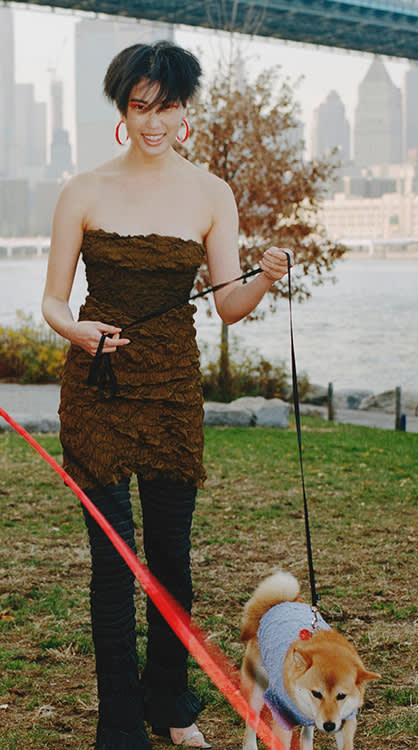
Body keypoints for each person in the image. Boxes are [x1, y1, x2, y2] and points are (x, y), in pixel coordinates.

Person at [42, 41, 292, 749]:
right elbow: (52, 303)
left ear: (187, 109)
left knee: (173, 562)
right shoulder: (82, 190)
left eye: (168, 106)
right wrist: (79, 330)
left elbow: (229, 306)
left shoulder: (212, 193)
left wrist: (266, 275)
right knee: (114, 565)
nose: (154, 121)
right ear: (123, 108)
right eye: (140, 106)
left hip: (174, 392)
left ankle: (171, 705)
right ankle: (121, 726)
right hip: (97, 390)